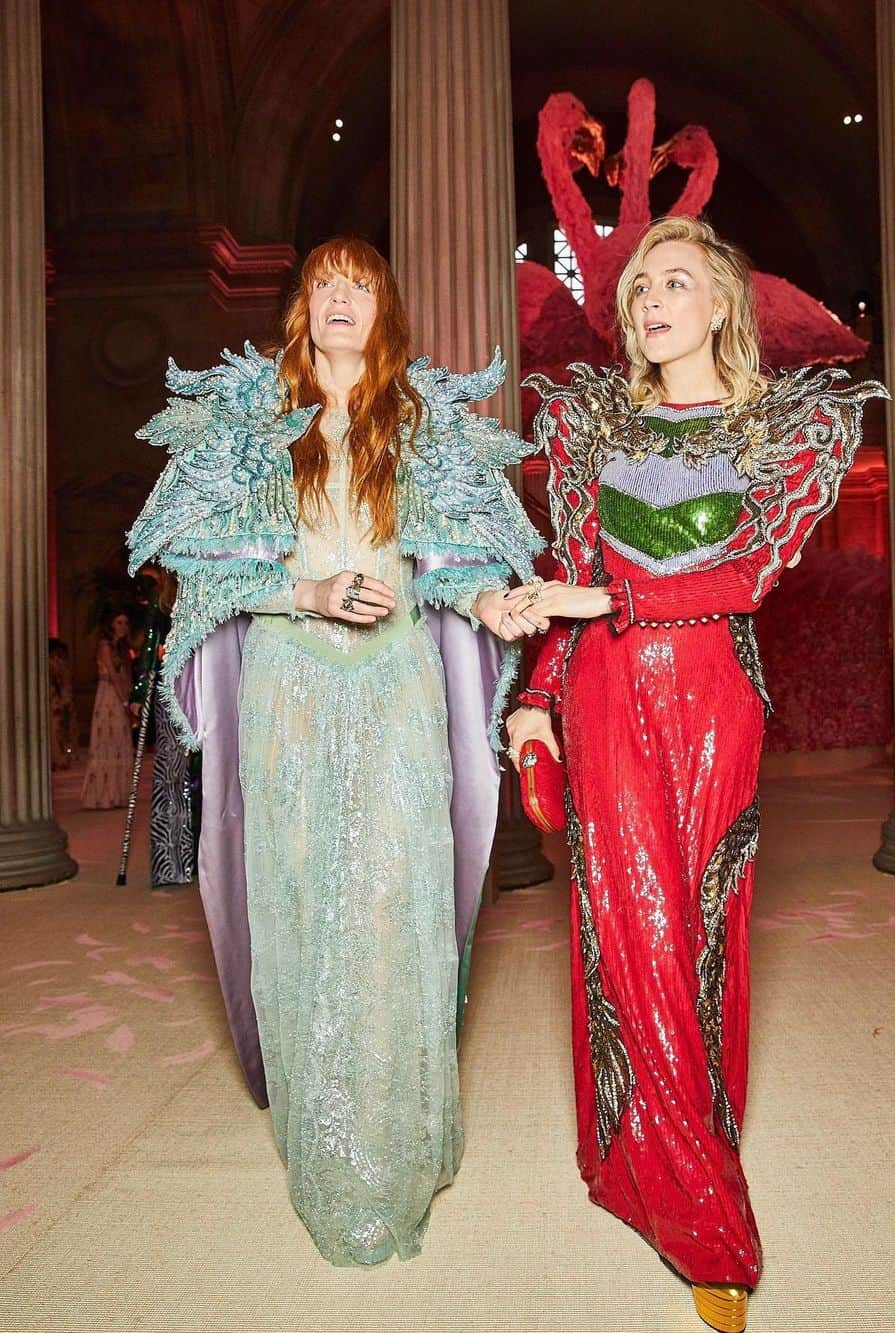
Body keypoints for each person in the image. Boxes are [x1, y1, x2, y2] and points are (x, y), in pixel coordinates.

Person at [128, 236, 542, 1265]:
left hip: (397, 685)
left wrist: (489, 597)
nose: (342, 300)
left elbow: (449, 567)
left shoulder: (426, 425)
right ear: (300, 307)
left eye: (361, 285)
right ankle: (327, 1143)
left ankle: (398, 1137)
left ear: (387, 309)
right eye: (325, 284)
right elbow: (187, 561)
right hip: (293, 690)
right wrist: (301, 590)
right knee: (309, 894)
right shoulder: (246, 424)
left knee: (394, 896)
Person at [506, 216, 886, 1333]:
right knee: (630, 928)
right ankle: (701, 1213)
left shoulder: (784, 432)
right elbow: (573, 572)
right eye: (640, 293)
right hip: (608, 695)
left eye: (676, 283)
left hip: (715, 693)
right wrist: (535, 701)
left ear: (722, 304)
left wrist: (605, 600)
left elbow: (748, 579)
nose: (653, 304)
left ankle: (674, 1147)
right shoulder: (589, 427)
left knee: (700, 928)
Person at [130, 566, 198, 886]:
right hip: (172, 688)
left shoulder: (206, 587)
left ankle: (204, 856)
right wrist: (139, 691)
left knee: (207, 776)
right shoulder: (161, 602)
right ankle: (170, 863)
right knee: (171, 773)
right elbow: (148, 651)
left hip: (205, 685)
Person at [81, 612, 134, 809]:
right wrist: (124, 700)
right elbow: (111, 674)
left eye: (126, 622)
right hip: (108, 696)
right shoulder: (105, 646)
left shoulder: (122, 648)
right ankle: (102, 796)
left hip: (119, 694)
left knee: (119, 741)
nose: (123, 626)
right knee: (106, 741)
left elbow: (125, 675)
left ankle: (117, 795)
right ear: (111, 624)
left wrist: (129, 697)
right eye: (119, 622)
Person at [48, 638, 78, 772]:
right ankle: (58, 759)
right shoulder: (53, 664)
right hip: (54, 699)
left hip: (57, 700)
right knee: (56, 731)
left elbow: (65, 683)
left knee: (60, 730)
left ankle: (61, 758)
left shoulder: (59, 664)